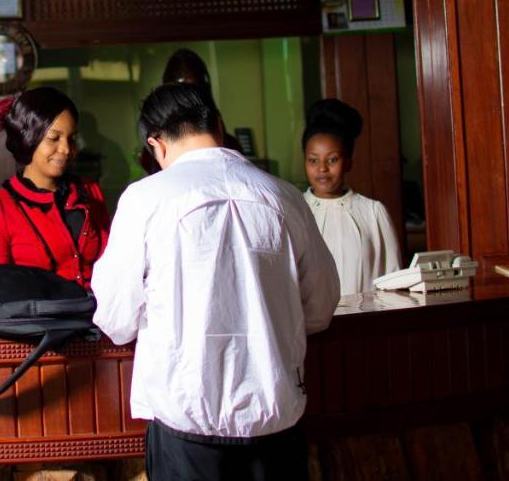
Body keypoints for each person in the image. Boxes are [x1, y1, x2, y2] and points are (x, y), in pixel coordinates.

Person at [92, 84, 339, 481]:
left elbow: (116, 319)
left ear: (156, 145)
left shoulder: (145, 199)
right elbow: (321, 307)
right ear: (219, 127)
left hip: (188, 428)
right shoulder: (285, 195)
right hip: (275, 424)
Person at [0, 87, 109, 288]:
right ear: (29, 138)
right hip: (39, 318)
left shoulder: (90, 192)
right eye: (54, 138)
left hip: (99, 316)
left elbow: (113, 263)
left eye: (71, 138)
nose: (66, 149)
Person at [301, 98, 402, 296]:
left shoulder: (373, 212)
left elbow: (393, 278)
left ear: (348, 162)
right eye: (313, 160)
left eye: (332, 159)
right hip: (308, 326)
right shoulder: (294, 211)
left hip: (364, 321)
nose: (322, 168)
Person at [139, 48, 241, 174]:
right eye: (180, 89)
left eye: (193, 90)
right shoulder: (154, 147)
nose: (186, 98)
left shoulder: (230, 143)